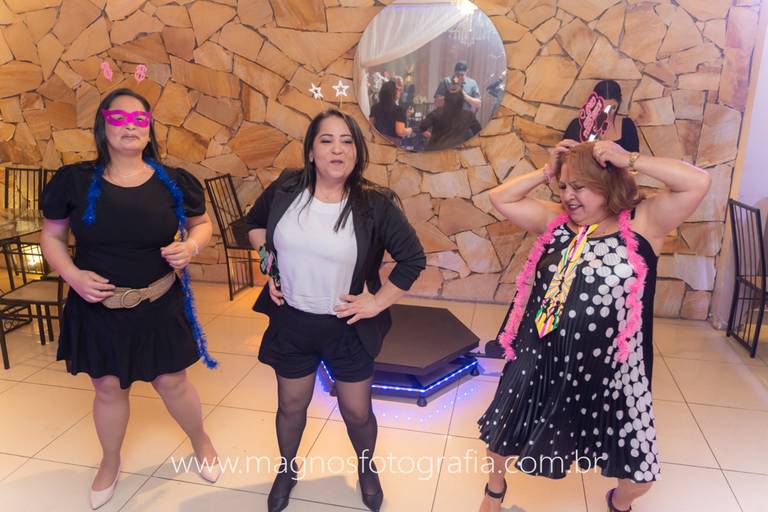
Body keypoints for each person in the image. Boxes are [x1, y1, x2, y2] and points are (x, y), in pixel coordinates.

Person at [477, 140, 711, 512]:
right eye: (564, 186)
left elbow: (697, 182)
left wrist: (629, 159)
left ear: (607, 185)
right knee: (503, 435)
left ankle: (618, 504)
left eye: (580, 186)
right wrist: (546, 171)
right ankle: (494, 490)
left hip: (613, 369)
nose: (568, 196)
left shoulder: (644, 223)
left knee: (640, 478)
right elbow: (500, 198)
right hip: (541, 355)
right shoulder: (555, 220)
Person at [40, 88, 220, 510]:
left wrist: (190, 246)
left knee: (172, 382)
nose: (130, 126)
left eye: (139, 119)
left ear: (150, 127)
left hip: (159, 302)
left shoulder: (173, 181)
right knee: (107, 388)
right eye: (118, 118)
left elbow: (202, 224)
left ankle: (201, 440)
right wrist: (72, 276)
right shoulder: (73, 181)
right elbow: (51, 236)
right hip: (97, 307)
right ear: (102, 124)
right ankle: (110, 461)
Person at [246, 109, 425, 512]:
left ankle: (366, 467)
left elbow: (412, 259)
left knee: (357, 412)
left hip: (347, 325)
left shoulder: (374, 204)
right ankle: (287, 469)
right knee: (291, 406)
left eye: (347, 141)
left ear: (357, 152)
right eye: (326, 141)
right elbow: (254, 224)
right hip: (293, 321)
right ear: (311, 151)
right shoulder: (286, 188)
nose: (337, 150)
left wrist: (376, 301)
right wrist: (269, 266)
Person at [563, 80, 640, 152]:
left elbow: (634, 158)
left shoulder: (627, 126)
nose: (607, 113)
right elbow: (564, 157)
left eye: (613, 108)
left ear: (619, 103)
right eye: (602, 108)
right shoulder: (577, 125)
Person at [420, 85, 481, 150]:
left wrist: (430, 135)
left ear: (446, 99)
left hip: (436, 151)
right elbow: (479, 132)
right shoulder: (469, 115)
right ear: (462, 100)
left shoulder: (437, 112)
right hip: (457, 152)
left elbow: (422, 127)